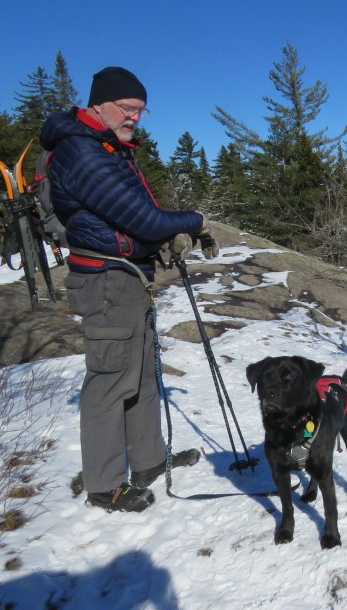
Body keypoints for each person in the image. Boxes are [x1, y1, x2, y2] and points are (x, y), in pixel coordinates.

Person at [40, 66, 219, 512]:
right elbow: (145, 220)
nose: (135, 117)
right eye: (127, 107)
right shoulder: (83, 153)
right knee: (110, 381)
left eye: (141, 110)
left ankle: (149, 461)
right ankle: (104, 487)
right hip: (106, 282)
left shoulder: (106, 147)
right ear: (98, 104)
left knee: (140, 375)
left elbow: (135, 218)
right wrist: (195, 221)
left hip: (126, 277)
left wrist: (164, 237)